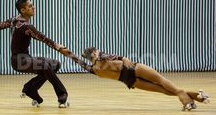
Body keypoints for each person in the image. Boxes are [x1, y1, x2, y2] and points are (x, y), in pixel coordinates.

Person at [0, 0, 82, 108]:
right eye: (30, 6)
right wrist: (57, 46)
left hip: (26, 58)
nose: (33, 7)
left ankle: (30, 88)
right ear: (23, 10)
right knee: (44, 66)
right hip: (19, 61)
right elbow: (43, 38)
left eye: (32, 5)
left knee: (55, 64)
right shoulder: (26, 26)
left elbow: (5, 23)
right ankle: (62, 95)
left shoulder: (16, 20)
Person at [80, 47, 210, 111]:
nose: (98, 51)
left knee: (162, 89)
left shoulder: (93, 69)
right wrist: (124, 58)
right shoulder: (101, 57)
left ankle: (195, 99)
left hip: (128, 80)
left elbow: (73, 58)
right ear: (93, 53)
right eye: (96, 50)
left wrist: (59, 48)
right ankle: (192, 100)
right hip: (133, 69)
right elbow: (117, 57)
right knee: (162, 82)